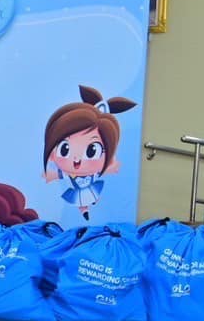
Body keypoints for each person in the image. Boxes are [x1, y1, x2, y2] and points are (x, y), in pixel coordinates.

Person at [41, 85, 137, 222]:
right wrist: (52, 175)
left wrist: (111, 167)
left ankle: (90, 205)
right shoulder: (70, 173)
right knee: (81, 201)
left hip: (90, 188)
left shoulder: (94, 173)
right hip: (79, 190)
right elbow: (60, 174)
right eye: (64, 149)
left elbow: (103, 170)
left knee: (91, 196)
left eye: (92, 151)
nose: (76, 160)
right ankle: (85, 210)